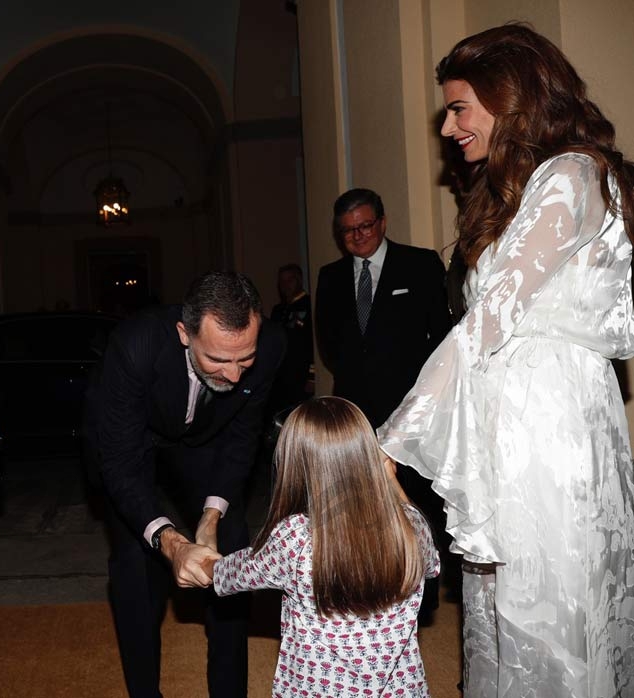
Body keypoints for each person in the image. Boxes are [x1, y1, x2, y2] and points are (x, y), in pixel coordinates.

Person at [379, 23, 634, 697]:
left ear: (510, 97)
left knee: (550, 601)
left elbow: (489, 319)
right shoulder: (514, 191)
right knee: (499, 606)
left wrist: (392, 442)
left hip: (552, 424)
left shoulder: (573, 175)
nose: (448, 128)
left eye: (459, 107)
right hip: (506, 417)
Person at [85, 271, 285, 697]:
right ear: (183, 333)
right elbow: (119, 464)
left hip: (203, 443)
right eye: (217, 360)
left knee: (229, 544)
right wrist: (172, 543)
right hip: (131, 440)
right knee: (135, 564)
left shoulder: (270, 347)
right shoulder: (135, 345)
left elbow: (243, 438)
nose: (234, 376)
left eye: (243, 360)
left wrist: (210, 517)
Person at [201, 397, 439, 698]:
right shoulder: (411, 527)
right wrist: (390, 479)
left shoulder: (295, 538)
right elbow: (430, 561)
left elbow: (227, 576)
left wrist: (202, 552)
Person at [314, 188, 452, 430]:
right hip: (353, 407)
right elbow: (328, 342)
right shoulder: (330, 277)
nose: (357, 236)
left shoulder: (420, 264)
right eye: (348, 230)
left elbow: (442, 332)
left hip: (410, 404)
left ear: (382, 223)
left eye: (365, 226)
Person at [268, 263, 313, 410]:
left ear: (299, 280)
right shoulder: (278, 310)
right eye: (282, 282)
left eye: (289, 280)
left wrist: (312, 377)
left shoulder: (309, 305)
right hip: (279, 379)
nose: (285, 285)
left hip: (300, 376)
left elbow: (313, 344)